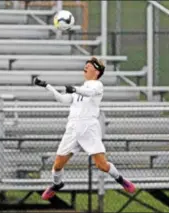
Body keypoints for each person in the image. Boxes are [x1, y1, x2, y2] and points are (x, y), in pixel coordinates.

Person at [34, 57, 136, 200]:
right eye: (85, 65)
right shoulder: (79, 89)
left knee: (102, 165)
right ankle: (57, 185)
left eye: (89, 65)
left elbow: (88, 93)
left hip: (89, 128)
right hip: (73, 128)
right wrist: (47, 86)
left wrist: (75, 89)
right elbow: (63, 99)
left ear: (97, 71)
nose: (86, 67)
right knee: (57, 166)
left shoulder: (97, 86)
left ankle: (120, 179)